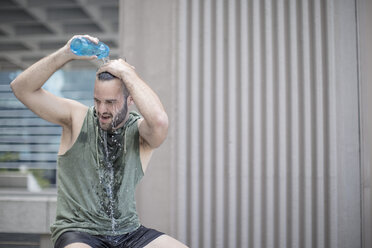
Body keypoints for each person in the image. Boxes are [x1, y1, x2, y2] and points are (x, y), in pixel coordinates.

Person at [10, 35, 187, 248]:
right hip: (79, 232)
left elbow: (159, 121)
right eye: (97, 100)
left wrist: (127, 73)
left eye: (111, 102)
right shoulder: (76, 118)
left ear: (130, 100)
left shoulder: (140, 133)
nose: (102, 110)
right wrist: (66, 53)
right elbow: (21, 88)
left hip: (129, 232)